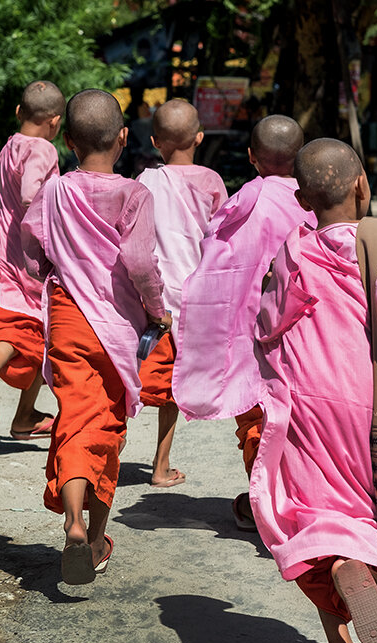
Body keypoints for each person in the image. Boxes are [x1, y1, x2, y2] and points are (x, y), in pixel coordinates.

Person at [249, 138, 377, 643]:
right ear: (362, 186)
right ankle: (357, 563)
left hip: (304, 395)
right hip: (359, 397)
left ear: (302, 197)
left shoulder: (293, 246)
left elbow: (268, 321)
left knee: (308, 509)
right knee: (356, 503)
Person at [22, 89, 171, 585]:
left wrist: (49, 266)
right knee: (104, 424)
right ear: (124, 137)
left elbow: (31, 241)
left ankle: (77, 525)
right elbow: (140, 264)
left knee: (74, 416)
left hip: (67, 317)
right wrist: (159, 310)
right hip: (115, 326)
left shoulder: (56, 190)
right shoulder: (134, 195)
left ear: (67, 140)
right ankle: (89, 529)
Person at [171, 115, 315, 530]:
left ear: (251, 157)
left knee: (258, 419)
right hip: (303, 330)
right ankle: (299, 498)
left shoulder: (246, 200)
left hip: (254, 331)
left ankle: (269, 502)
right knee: (298, 416)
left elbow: (216, 261)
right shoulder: (314, 199)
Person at [135, 99, 227, 488]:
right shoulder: (211, 182)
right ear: (200, 138)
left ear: (155, 141)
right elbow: (221, 240)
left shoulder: (145, 181)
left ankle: (101, 450)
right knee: (172, 387)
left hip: (150, 297)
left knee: (133, 378)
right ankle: (161, 464)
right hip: (193, 299)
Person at [0, 80, 64, 439]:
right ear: (55, 122)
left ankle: (2, 386)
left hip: (1, 246)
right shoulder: (43, 150)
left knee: (13, 316)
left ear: (18, 113)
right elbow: (29, 195)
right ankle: (18, 407)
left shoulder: (11, 145)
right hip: (28, 252)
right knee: (42, 329)